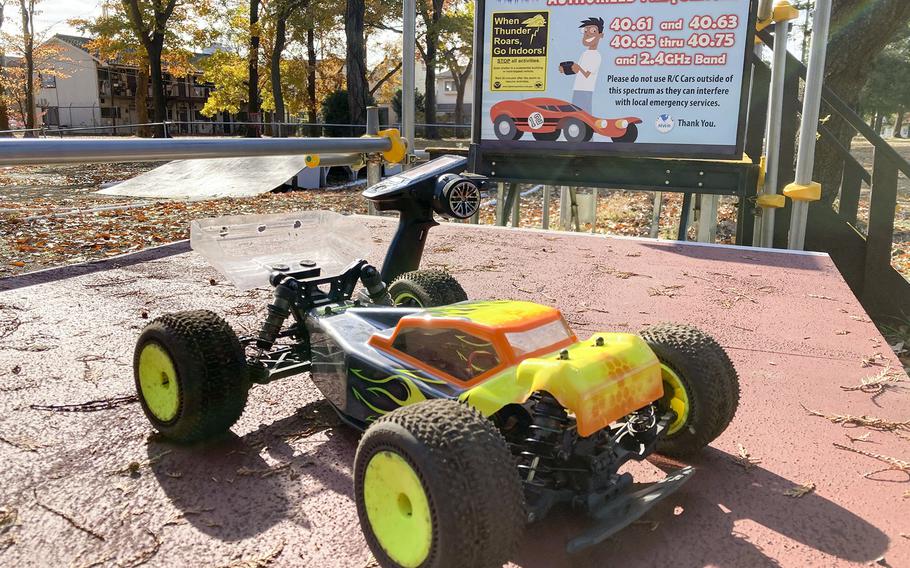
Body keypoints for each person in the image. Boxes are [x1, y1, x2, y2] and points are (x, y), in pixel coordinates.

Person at [559, 17, 604, 114]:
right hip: (578, 88)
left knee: (584, 114)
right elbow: (577, 70)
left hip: (586, 89)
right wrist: (565, 69)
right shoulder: (585, 53)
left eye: (592, 31)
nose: (587, 34)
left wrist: (578, 68)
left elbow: (587, 74)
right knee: (576, 112)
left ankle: (587, 128)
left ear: (601, 35)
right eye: (585, 31)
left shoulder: (596, 55)